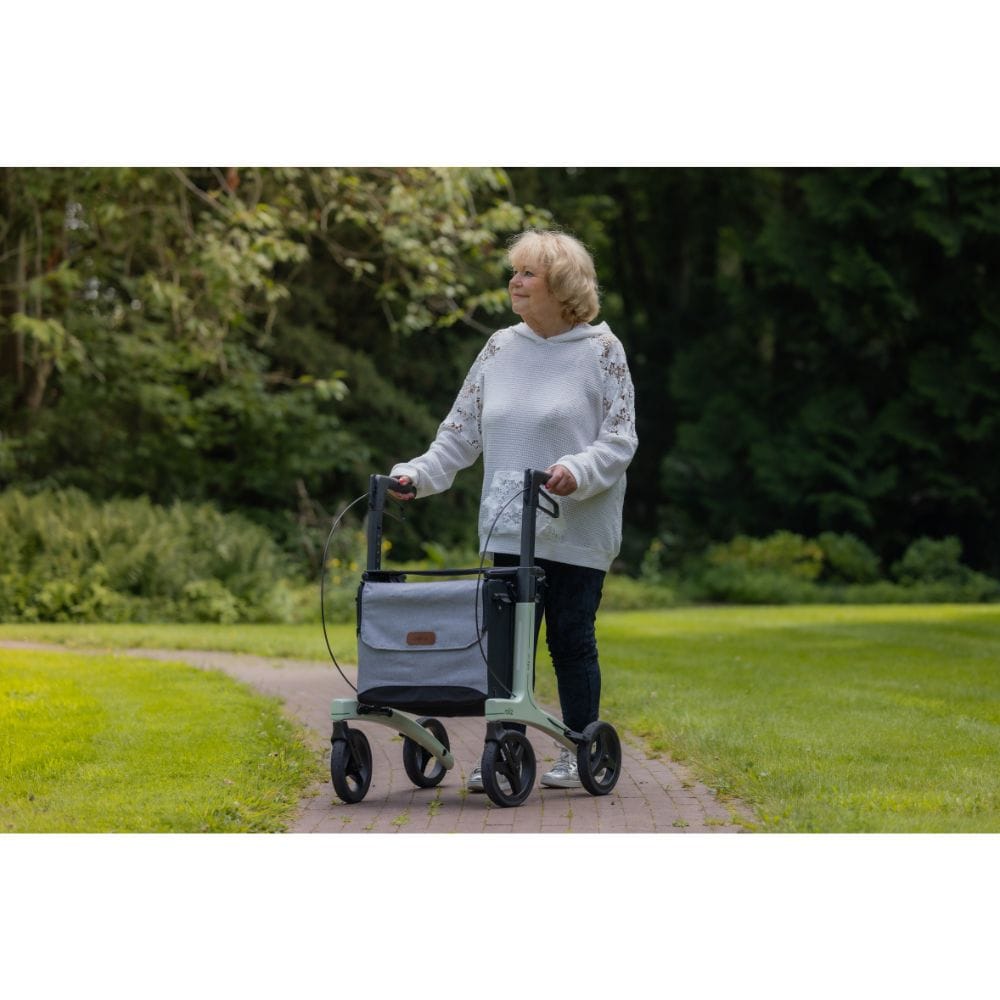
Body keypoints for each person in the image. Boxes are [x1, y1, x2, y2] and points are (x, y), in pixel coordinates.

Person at [388, 228, 637, 790]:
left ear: (563, 285)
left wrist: (577, 470)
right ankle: (504, 751)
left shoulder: (602, 350)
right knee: (503, 647)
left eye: (528, 273)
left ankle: (578, 748)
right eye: (515, 271)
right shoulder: (500, 347)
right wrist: (417, 474)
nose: (514, 281)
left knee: (569, 639)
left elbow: (620, 440)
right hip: (507, 521)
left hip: (575, 525)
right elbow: (459, 433)